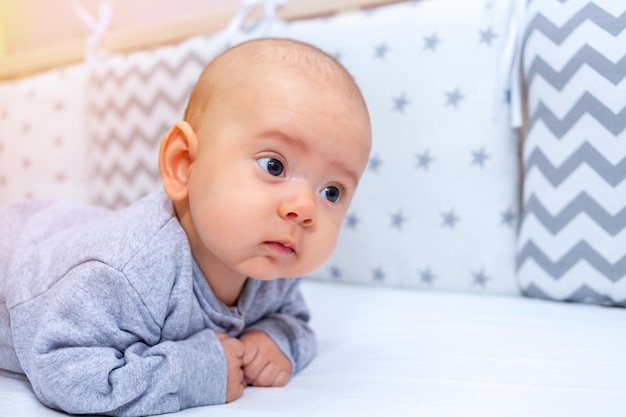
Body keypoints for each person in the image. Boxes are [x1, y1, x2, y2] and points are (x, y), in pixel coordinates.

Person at [0, 37, 372, 416]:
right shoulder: (128, 273)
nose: (305, 208)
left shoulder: (273, 257)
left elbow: (293, 320)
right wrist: (194, 371)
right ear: (183, 164)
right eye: (273, 166)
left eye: (331, 191)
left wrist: (276, 339)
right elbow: (63, 367)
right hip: (15, 253)